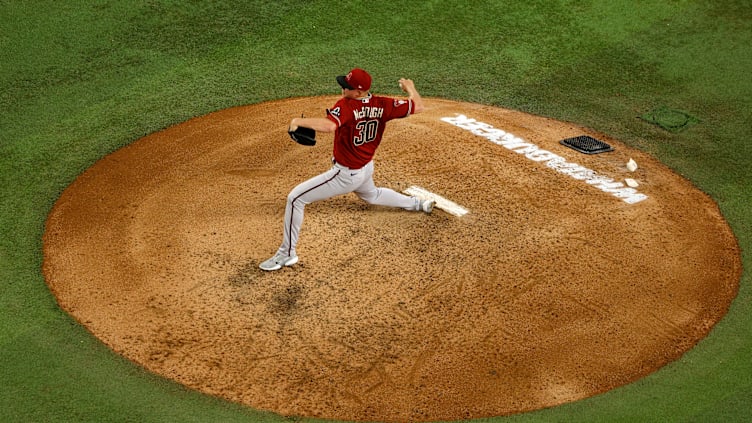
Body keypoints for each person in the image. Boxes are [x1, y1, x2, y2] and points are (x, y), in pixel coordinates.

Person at [259, 68, 435, 271]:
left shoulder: (347, 106)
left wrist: (297, 121)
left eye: (347, 87)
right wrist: (410, 88)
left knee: (296, 198)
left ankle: (286, 254)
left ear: (358, 93)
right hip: (366, 168)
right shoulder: (383, 104)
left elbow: (329, 126)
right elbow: (418, 106)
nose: (343, 88)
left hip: (345, 175)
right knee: (373, 195)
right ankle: (418, 204)